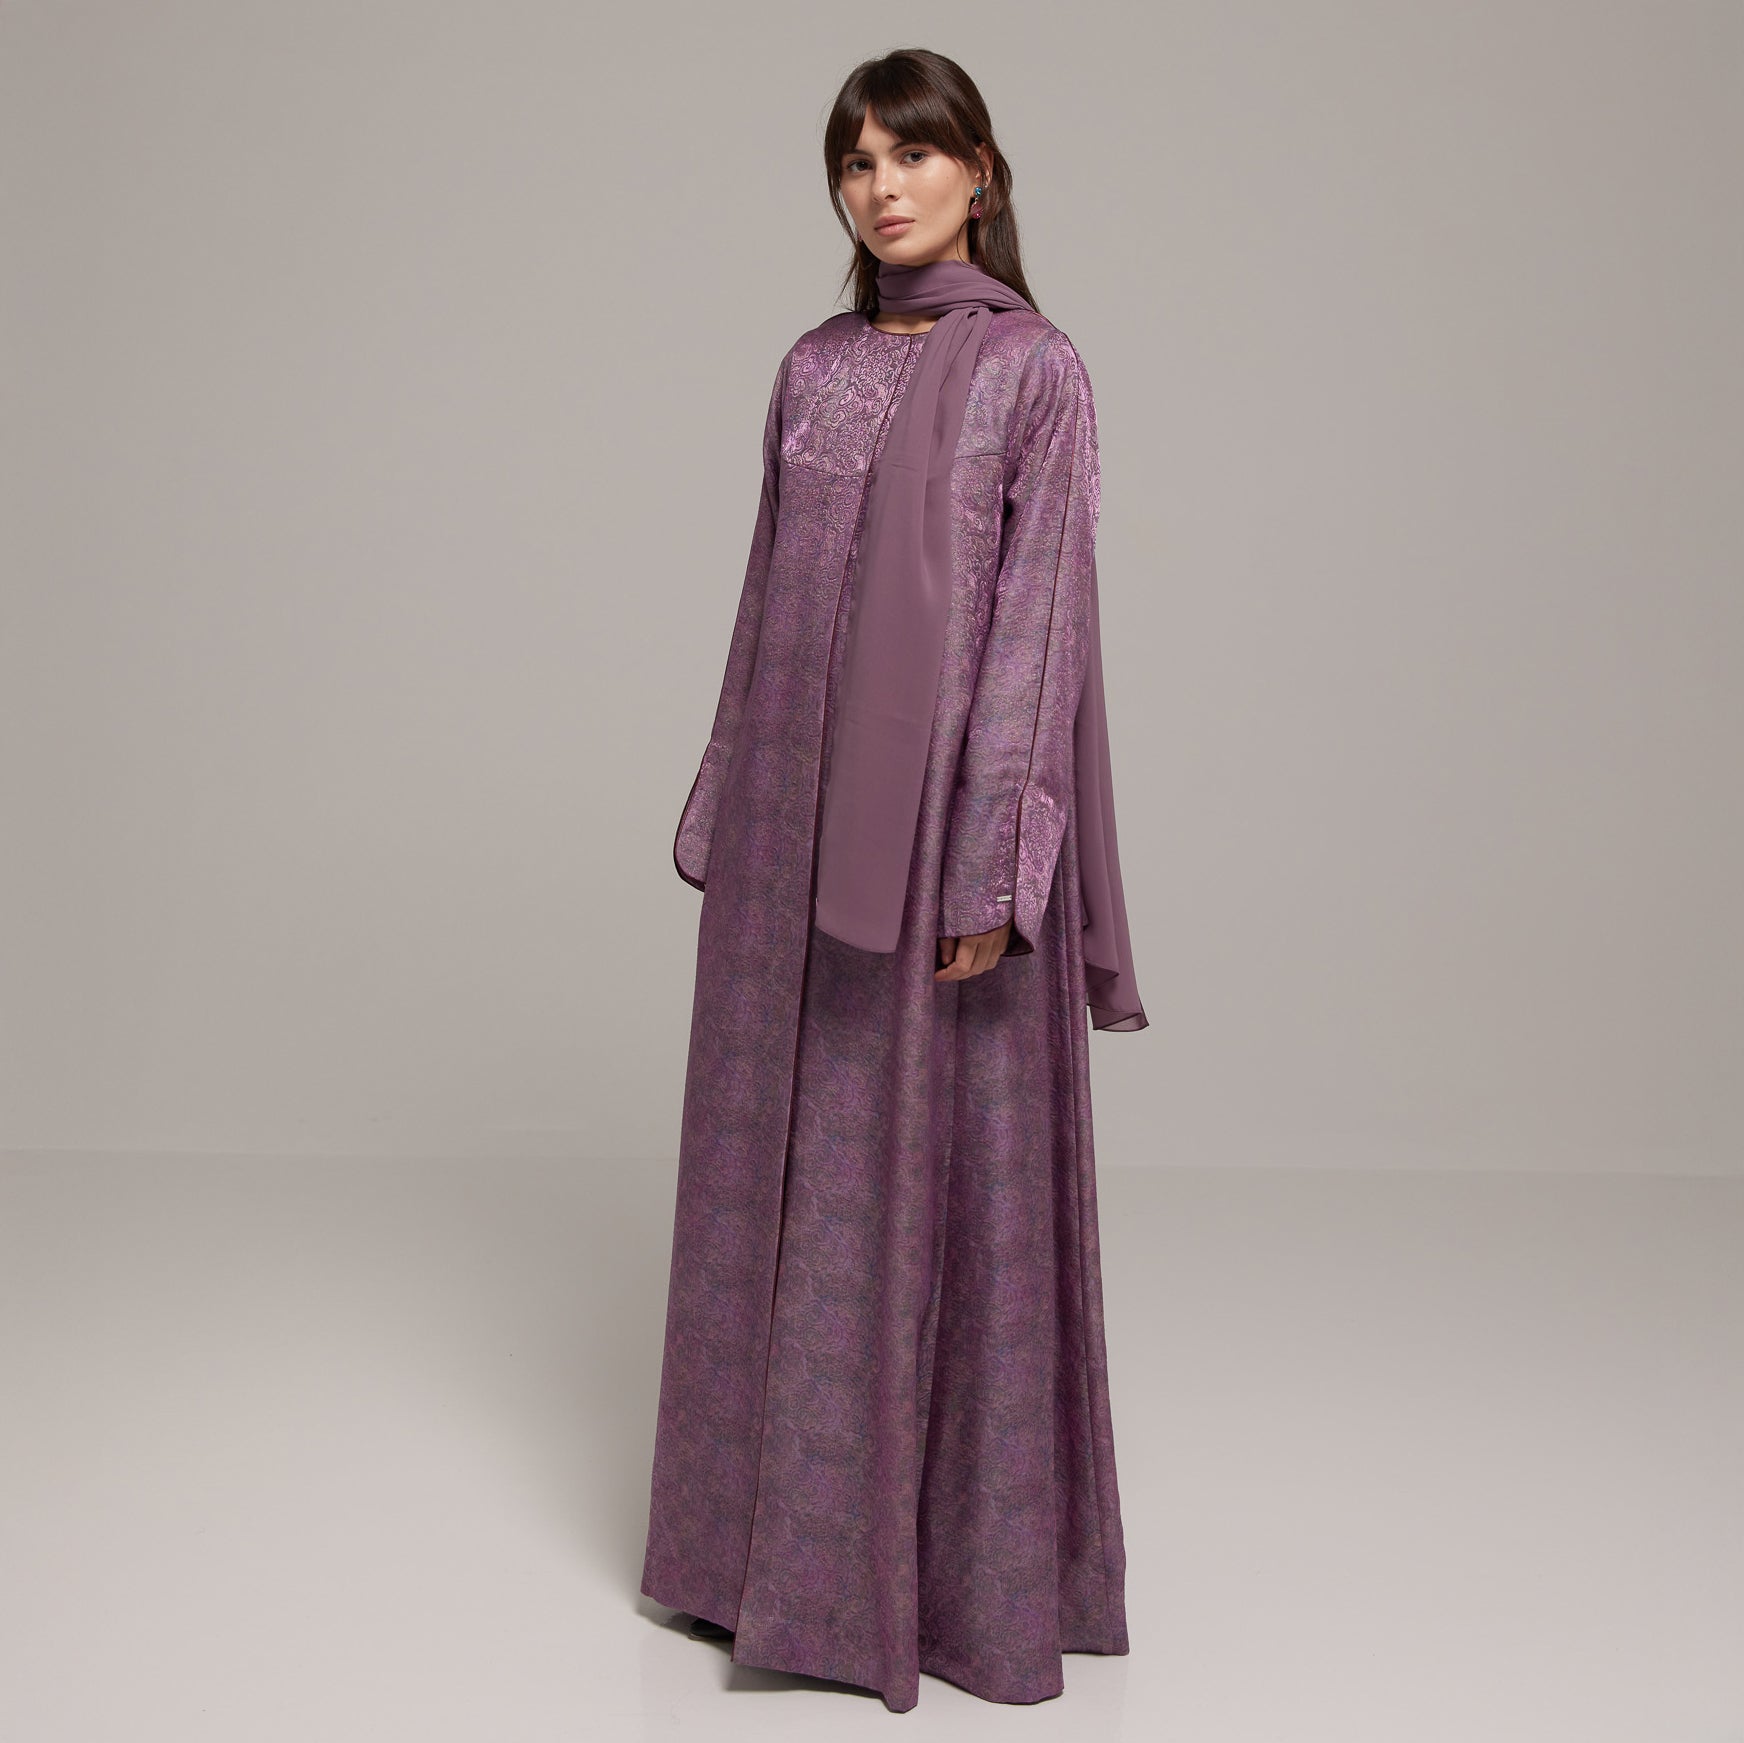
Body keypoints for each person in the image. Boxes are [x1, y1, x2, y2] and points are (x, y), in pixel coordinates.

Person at [640, 47, 1148, 1715]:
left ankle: (922, 1590)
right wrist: (729, 802)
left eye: (913, 156)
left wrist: (995, 863)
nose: (883, 187)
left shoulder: (1037, 373)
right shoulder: (811, 365)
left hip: (936, 839)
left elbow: (1039, 629)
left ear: (981, 173)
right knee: (771, 1180)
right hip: (790, 834)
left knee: (912, 1191)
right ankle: (750, 1566)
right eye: (856, 163)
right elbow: (762, 601)